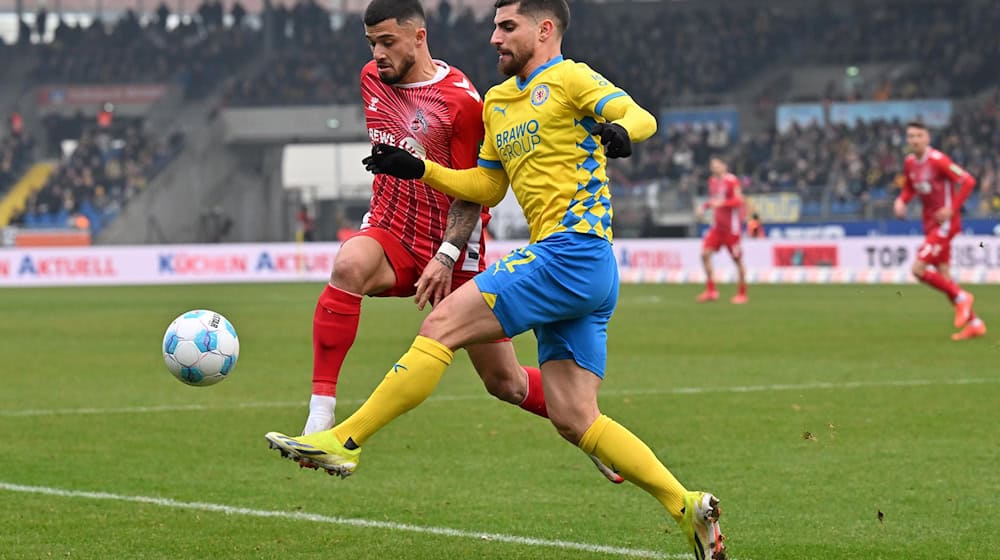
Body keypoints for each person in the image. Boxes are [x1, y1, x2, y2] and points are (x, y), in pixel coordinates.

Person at [265, 1, 726, 558]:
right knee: (574, 416)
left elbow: (641, 117)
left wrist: (620, 132)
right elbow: (486, 188)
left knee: (440, 325)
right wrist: (424, 171)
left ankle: (344, 439)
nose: (494, 38)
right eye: (494, 27)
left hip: (571, 252)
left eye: (507, 27)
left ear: (544, 29)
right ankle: (688, 507)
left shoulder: (570, 77)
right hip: (579, 267)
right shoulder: (501, 103)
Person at [284, 0, 621, 483]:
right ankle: (320, 420)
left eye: (388, 42)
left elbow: (475, 191)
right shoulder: (370, 79)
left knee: (503, 382)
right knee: (349, 266)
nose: (378, 54)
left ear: (419, 37)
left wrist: (447, 255)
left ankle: (587, 428)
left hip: (455, 249)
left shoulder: (464, 101)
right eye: (371, 44)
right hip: (393, 233)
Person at [895, 121, 986, 341]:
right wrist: (902, 200)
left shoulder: (938, 160)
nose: (914, 140)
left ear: (927, 138)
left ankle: (963, 297)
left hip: (945, 225)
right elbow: (910, 187)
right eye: (910, 136)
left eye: (918, 136)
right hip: (930, 224)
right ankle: (975, 323)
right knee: (944, 276)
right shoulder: (909, 162)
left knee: (918, 269)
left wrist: (952, 209)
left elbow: (968, 181)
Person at [695, 157, 747, 304]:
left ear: (724, 166)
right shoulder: (712, 181)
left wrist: (722, 203)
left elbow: (739, 201)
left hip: (732, 229)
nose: (714, 168)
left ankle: (742, 293)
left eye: (717, 165)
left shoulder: (732, 181)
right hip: (717, 227)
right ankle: (711, 291)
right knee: (705, 254)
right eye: (712, 166)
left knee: (737, 260)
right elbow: (714, 201)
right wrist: (703, 207)